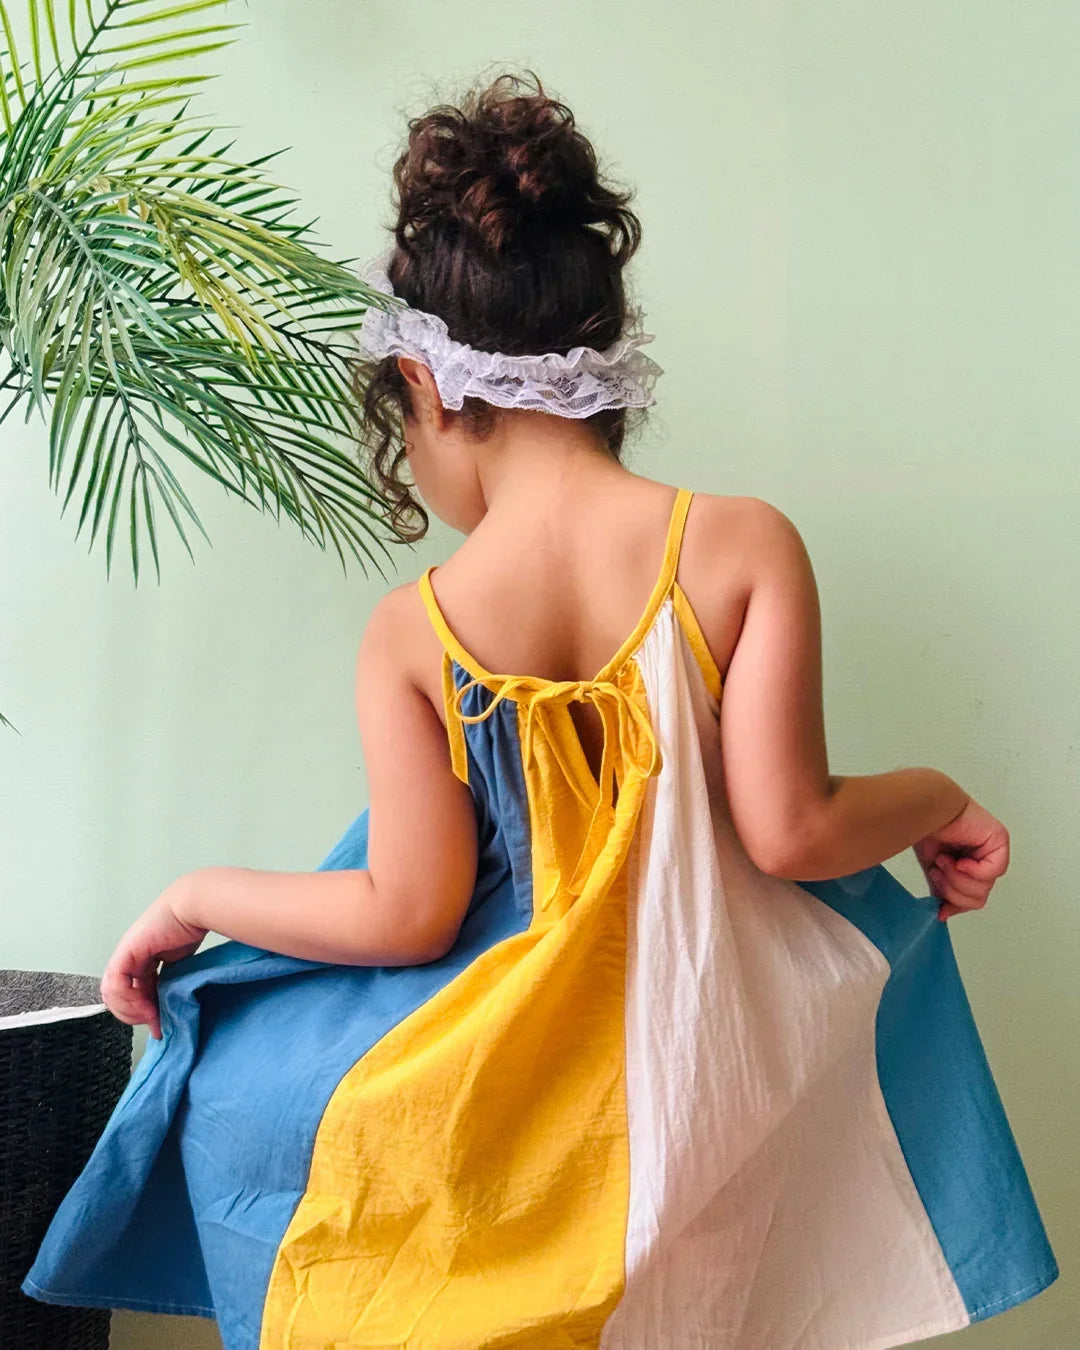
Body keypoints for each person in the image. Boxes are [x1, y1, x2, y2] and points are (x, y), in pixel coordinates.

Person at [22, 69, 1057, 1350]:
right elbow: (794, 832)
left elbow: (406, 914)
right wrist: (941, 798)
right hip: (707, 1108)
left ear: (425, 386)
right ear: (609, 370)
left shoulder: (419, 627)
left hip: (497, 1136)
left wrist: (193, 899)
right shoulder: (741, 549)